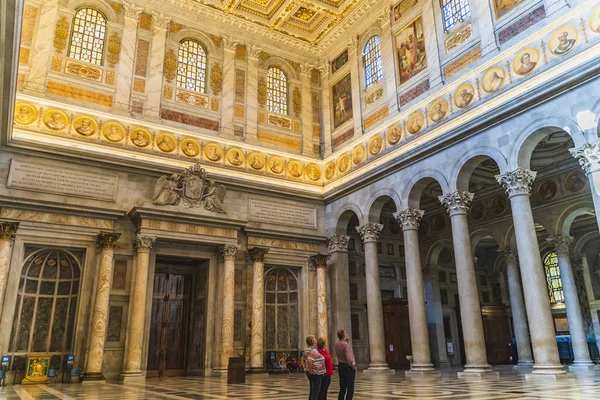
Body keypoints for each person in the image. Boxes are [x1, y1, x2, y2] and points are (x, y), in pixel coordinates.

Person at [301, 335, 325, 400]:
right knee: (315, 392)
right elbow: (309, 360)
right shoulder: (312, 350)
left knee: (312, 391)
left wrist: (305, 369)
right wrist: (310, 370)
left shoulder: (308, 350)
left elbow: (302, 359)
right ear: (313, 341)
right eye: (315, 338)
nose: (316, 339)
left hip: (312, 373)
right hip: (316, 374)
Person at [335, 329, 356, 400]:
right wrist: (353, 366)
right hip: (347, 367)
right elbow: (349, 358)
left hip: (341, 366)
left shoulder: (337, 344)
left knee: (342, 388)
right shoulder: (346, 345)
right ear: (344, 335)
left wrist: (347, 341)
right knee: (350, 388)